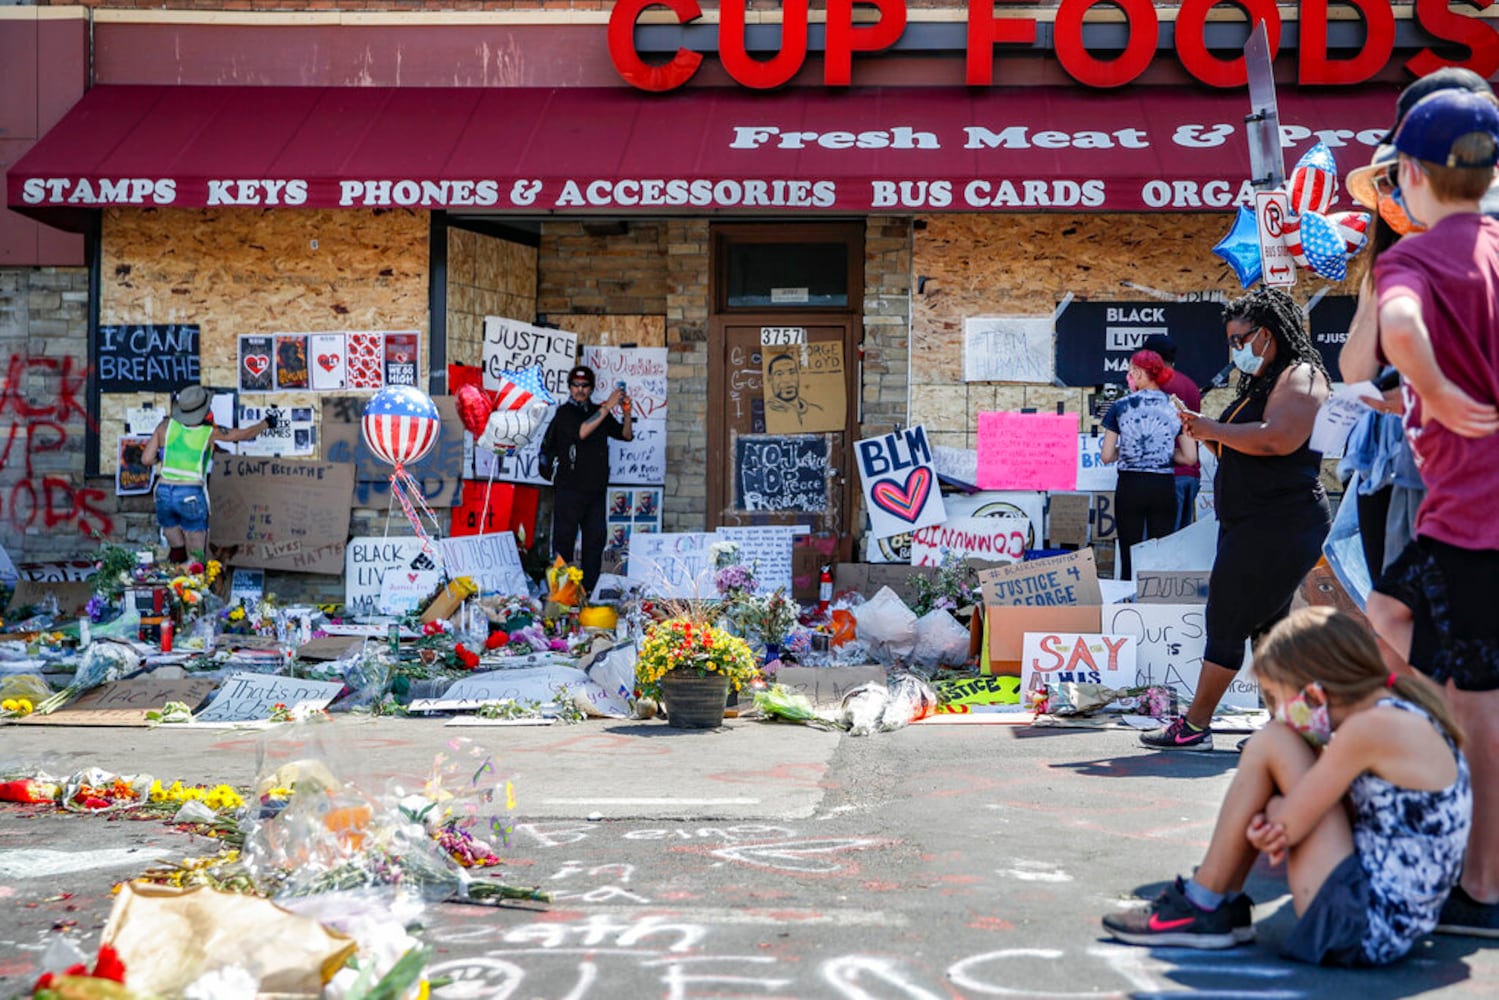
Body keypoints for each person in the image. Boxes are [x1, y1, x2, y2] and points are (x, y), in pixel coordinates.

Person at [1105, 607, 1471, 965]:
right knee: (1282, 745)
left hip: (1360, 925)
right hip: (1387, 920)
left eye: (1277, 698)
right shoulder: (1398, 713)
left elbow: (1287, 825)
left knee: (1273, 741)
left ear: (1314, 693)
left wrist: (1275, 814)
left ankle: (1203, 903)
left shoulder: (1367, 730)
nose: (1280, 713)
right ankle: (1213, 902)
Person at [1361, 87, 1499, 936]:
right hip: (1465, 521)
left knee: (1478, 706)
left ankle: (1480, 887)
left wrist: (1439, 391)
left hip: (1472, 523)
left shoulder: (1414, 259)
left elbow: (1400, 327)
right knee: (1386, 608)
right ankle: (1416, 753)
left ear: (1409, 173)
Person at [1141, 289, 1332, 751]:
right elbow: (1242, 446)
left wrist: (1211, 429)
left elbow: (1278, 440)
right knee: (1270, 627)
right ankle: (1296, 729)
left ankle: (1195, 726)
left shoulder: (1301, 375)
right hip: (1256, 521)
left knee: (1227, 618)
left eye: (1240, 339)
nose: (1235, 350)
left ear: (1267, 334)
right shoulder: (1265, 382)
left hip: (1281, 522)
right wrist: (1205, 432)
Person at [140, 384, 275, 565]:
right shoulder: (208, 433)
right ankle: (193, 586)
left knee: (176, 545)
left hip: (163, 491)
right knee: (196, 552)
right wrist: (267, 423)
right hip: (189, 492)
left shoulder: (165, 426)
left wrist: (162, 458)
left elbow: (146, 459)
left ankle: (176, 583)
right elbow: (243, 434)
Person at [1099, 349, 1196, 580]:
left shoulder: (1120, 406)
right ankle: (1156, 606)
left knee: (1128, 551)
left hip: (1130, 485)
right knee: (1160, 552)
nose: (1130, 375)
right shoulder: (1177, 408)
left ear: (1140, 373)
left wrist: (1130, 452)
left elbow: (1105, 455)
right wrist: (1160, 452)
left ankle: (1126, 607)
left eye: (1132, 371)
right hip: (1163, 485)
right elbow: (1190, 457)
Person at [547, 364, 633, 594]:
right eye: (575, 385)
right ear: (569, 387)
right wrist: (608, 406)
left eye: (584, 386)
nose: (580, 390)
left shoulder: (598, 411)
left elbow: (626, 435)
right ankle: (560, 596)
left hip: (595, 490)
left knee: (594, 543)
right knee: (564, 543)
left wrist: (626, 412)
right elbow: (582, 432)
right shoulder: (564, 413)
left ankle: (589, 594)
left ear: (591, 388)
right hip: (569, 489)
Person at [1142, 334, 1203, 530]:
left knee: (1155, 546)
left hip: (1165, 476)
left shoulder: (1153, 386)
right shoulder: (1191, 386)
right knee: (1178, 545)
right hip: (1190, 476)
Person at [765, 353, 824, 427]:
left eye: (792, 372)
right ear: (769, 379)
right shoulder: (766, 413)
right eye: (779, 374)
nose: (787, 380)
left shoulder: (816, 412)